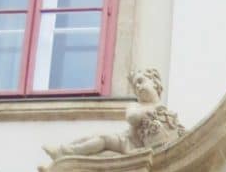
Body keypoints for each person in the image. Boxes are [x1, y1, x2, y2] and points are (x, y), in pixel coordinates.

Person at [44, 68, 184, 160]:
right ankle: (66, 151)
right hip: (128, 140)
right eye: (135, 86)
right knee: (95, 136)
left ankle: (67, 153)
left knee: (103, 138)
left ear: (155, 83)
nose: (138, 87)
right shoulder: (136, 106)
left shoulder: (167, 112)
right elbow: (132, 117)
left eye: (141, 82)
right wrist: (148, 110)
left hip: (136, 145)